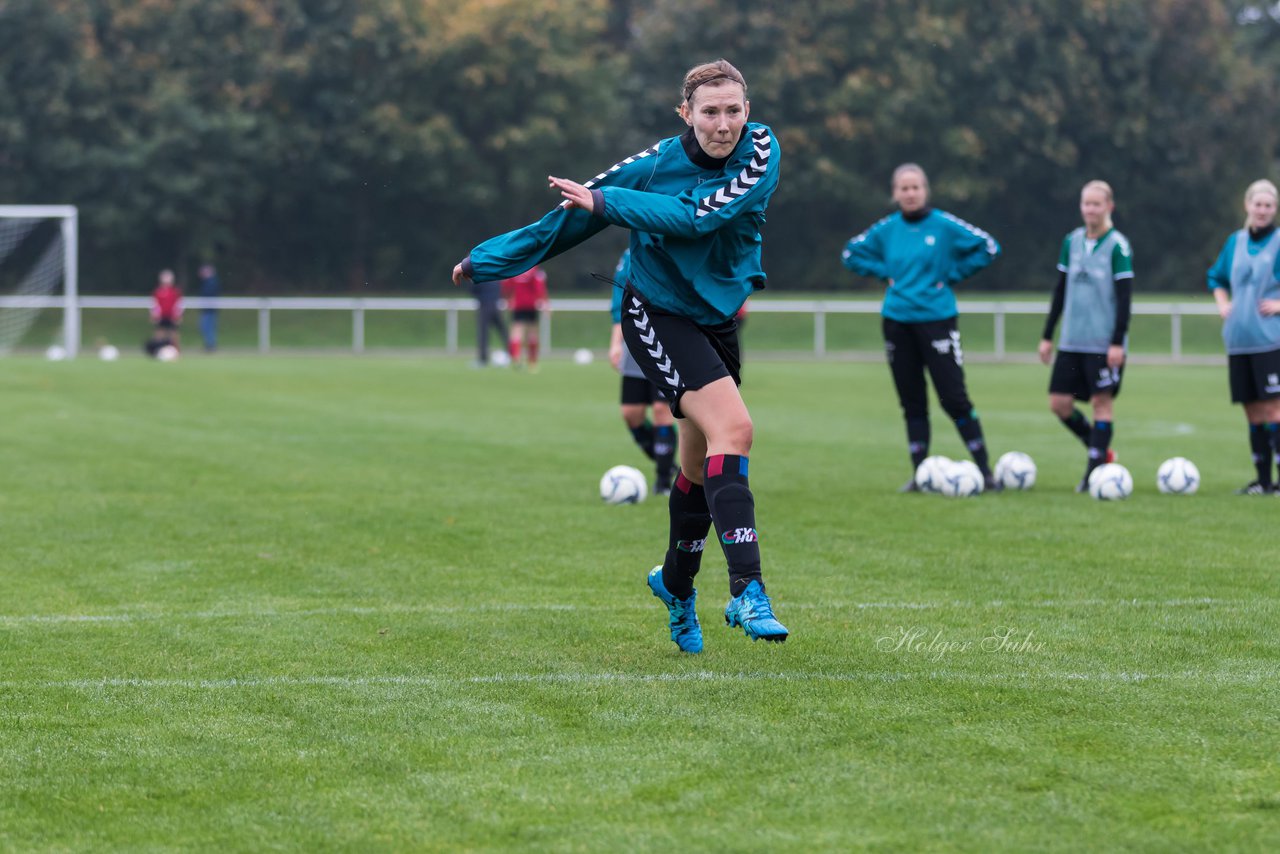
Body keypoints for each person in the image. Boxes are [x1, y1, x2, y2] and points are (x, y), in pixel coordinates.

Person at [453, 59, 787, 652]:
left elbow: (695, 217)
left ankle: (676, 586)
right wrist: (490, 259)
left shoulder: (759, 151)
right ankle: (747, 588)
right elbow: (569, 217)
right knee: (734, 430)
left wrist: (607, 203)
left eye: (733, 109)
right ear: (685, 113)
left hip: (715, 320)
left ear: (747, 111)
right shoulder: (653, 164)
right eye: (709, 111)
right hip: (656, 312)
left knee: (696, 465)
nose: (723, 123)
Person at [841, 163, 1002, 491]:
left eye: (916, 187)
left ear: (925, 190)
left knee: (954, 398)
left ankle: (985, 470)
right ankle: (920, 474)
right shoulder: (887, 228)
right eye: (904, 188)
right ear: (895, 193)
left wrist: (952, 275)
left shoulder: (943, 225)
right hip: (898, 322)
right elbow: (849, 253)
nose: (910, 193)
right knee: (912, 401)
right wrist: (882, 270)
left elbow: (988, 247)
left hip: (937, 319)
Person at [1038, 181, 1131, 491]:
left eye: (1096, 204)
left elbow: (1125, 298)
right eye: (1086, 204)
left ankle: (1093, 474)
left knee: (1101, 403)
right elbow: (1060, 288)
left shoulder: (1118, 246)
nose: (1090, 209)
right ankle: (1101, 450)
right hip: (1071, 340)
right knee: (1059, 403)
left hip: (1103, 343)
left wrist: (1117, 341)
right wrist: (1047, 334)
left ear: (1109, 207)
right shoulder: (1072, 242)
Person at [1207, 178, 1280, 494]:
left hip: (1270, 340)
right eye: (1257, 204)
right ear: (1247, 205)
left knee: (1274, 410)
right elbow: (1216, 277)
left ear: (1275, 209)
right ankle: (1262, 481)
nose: (1262, 210)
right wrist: (1223, 303)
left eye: (1268, 205)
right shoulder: (1234, 242)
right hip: (1239, 340)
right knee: (1251, 410)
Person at [609, 249, 677, 495]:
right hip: (635, 336)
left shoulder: (673, 240)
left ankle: (663, 481)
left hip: (669, 337)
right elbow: (619, 294)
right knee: (631, 414)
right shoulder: (630, 253)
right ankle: (670, 466)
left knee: (661, 409)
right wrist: (616, 341)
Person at [502, 265, 549, 370]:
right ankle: (532, 362)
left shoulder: (516, 269)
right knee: (532, 332)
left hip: (518, 304)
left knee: (516, 331)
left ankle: (515, 357)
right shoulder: (535, 270)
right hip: (531, 304)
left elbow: (506, 284)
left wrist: (508, 299)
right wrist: (545, 303)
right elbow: (539, 287)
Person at [471, 277, 508, 367]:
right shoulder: (496, 277)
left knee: (483, 333)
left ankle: (483, 359)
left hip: (485, 306)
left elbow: (473, 290)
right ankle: (513, 354)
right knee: (503, 331)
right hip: (495, 306)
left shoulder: (481, 278)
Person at [150, 269, 183, 349]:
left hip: (172, 316)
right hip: (161, 316)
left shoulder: (175, 291)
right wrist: (154, 315)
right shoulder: (157, 291)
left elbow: (179, 304)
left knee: (174, 333)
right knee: (159, 333)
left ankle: (176, 349)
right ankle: (158, 349)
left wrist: (178, 315)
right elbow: (154, 304)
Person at [197, 264, 220, 352]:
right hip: (207, 309)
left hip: (210, 309)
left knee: (208, 328)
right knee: (205, 327)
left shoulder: (212, 282)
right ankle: (209, 345)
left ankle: (211, 346)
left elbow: (209, 294)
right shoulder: (207, 282)